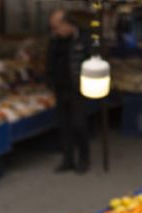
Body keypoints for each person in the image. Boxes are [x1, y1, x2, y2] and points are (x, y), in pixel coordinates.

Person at [46, 9, 90, 174]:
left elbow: (92, 61)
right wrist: (50, 80)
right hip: (60, 87)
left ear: (67, 24)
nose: (54, 31)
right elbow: (49, 60)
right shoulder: (55, 40)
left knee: (79, 124)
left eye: (56, 27)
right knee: (64, 126)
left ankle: (84, 160)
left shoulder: (83, 39)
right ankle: (68, 159)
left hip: (77, 89)